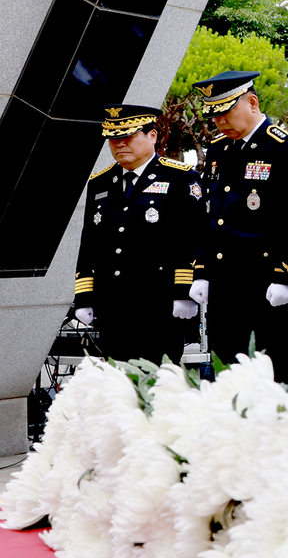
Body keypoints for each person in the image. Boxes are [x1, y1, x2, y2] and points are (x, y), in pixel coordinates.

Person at [192, 70, 288, 382]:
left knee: (274, 370)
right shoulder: (219, 150)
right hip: (223, 280)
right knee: (227, 371)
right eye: (214, 115)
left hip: (263, 281)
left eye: (227, 111)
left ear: (252, 102)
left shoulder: (284, 149)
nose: (220, 122)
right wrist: (201, 272)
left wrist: (285, 276)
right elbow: (211, 216)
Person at [74, 104, 202, 364]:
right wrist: (84, 296)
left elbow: (193, 238)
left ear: (152, 136)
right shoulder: (99, 183)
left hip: (159, 305)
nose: (119, 144)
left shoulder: (180, 178)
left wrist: (184, 292)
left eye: (127, 136)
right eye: (113, 139)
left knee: (159, 384)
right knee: (118, 388)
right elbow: (90, 243)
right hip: (112, 306)